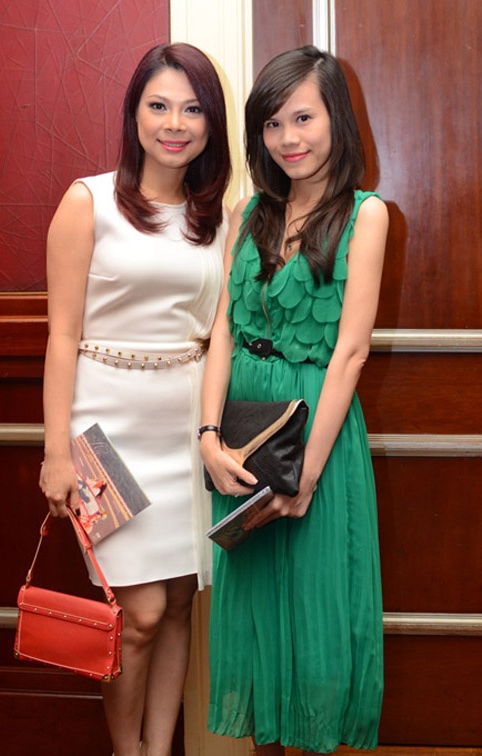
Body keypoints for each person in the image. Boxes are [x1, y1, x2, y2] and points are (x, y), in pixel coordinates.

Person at [39, 43, 231, 756]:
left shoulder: (218, 218)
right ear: (134, 114)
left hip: (186, 431)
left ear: (211, 124)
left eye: (192, 108)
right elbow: (61, 336)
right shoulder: (87, 202)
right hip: (104, 436)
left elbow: (220, 331)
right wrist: (55, 452)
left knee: (179, 604)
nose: (174, 123)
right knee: (140, 610)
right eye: (159, 105)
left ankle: (160, 747)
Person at [199, 46, 388, 755]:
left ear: (335, 118)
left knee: (316, 606)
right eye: (273, 123)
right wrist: (207, 436)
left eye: (303, 118)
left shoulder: (367, 215)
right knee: (255, 616)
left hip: (316, 431)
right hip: (244, 428)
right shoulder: (248, 211)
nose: (288, 138)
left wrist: (306, 474)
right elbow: (223, 329)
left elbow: (351, 352)